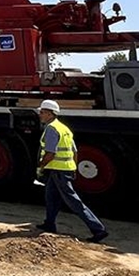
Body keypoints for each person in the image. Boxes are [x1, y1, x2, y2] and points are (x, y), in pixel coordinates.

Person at [35, 99, 109, 243]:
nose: (40, 115)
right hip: (62, 170)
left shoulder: (51, 129)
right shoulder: (64, 128)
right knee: (51, 197)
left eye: (42, 112)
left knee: (74, 202)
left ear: (50, 114)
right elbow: (74, 151)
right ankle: (49, 224)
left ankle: (98, 229)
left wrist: (40, 165)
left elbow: (51, 153)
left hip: (58, 170)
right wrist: (73, 167)